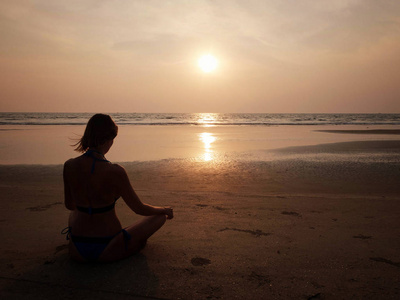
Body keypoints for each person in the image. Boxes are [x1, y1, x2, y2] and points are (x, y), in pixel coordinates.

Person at [62, 114, 173, 262]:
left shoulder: (69, 165)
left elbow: (70, 205)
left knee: (76, 213)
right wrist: (164, 209)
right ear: (108, 139)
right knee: (159, 217)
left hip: (77, 249)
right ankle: (133, 244)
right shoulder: (115, 171)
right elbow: (139, 208)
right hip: (108, 247)